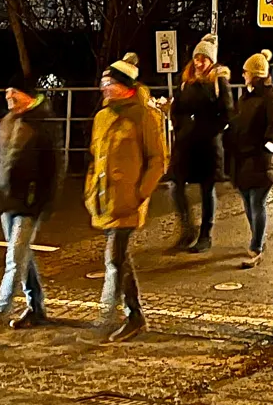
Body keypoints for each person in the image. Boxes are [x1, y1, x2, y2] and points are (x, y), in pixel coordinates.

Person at [0, 73, 62, 336]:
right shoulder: (7, 122)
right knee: (22, 256)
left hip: (29, 203)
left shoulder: (43, 123)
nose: (8, 95)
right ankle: (37, 308)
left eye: (14, 91)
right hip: (7, 200)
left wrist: (46, 202)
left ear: (27, 95)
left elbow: (54, 167)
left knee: (14, 257)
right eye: (7, 90)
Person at [84, 51, 167, 342]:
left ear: (124, 86)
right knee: (119, 259)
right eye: (103, 82)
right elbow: (95, 157)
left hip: (128, 201)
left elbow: (158, 160)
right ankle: (127, 314)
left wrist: (139, 194)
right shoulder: (102, 117)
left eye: (109, 83)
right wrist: (90, 190)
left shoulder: (144, 115)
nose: (103, 88)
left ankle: (121, 315)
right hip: (104, 199)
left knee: (115, 257)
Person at [168, 34, 231, 253]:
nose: (199, 62)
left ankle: (205, 234)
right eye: (197, 57)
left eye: (204, 58)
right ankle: (187, 228)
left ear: (211, 60)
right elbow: (176, 109)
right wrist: (181, 126)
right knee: (175, 185)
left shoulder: (218, 81)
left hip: (207, 145)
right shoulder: (185, 81)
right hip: (185, 144)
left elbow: (227, 112)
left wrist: (208, 129)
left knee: (207, 189)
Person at [225, 50, 273, 268]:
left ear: (255, 74)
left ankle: (256, 246)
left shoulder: (272, 96)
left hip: (261, 159)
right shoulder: (246, 97)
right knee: (249, 204)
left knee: (256, 203)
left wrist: (268, 146)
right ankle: (257, 239)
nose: (243, 75)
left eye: (245, 72)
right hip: (244, 160)